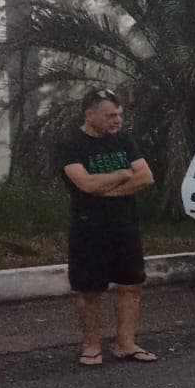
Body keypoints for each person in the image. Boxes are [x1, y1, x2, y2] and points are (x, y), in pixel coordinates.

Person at [58, 88, 157, 366]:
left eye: (119, 115)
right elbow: (86, 185)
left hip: (124, 225)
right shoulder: (71, 143)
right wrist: (123, 173)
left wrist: (112, 189)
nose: (117, 121)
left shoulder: (123, 140)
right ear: (90, 115)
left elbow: (146, 177)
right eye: (110, 115)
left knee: (131, 285)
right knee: (89, 290)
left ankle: (125, 343)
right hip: (88, 227)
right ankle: (91, 346)